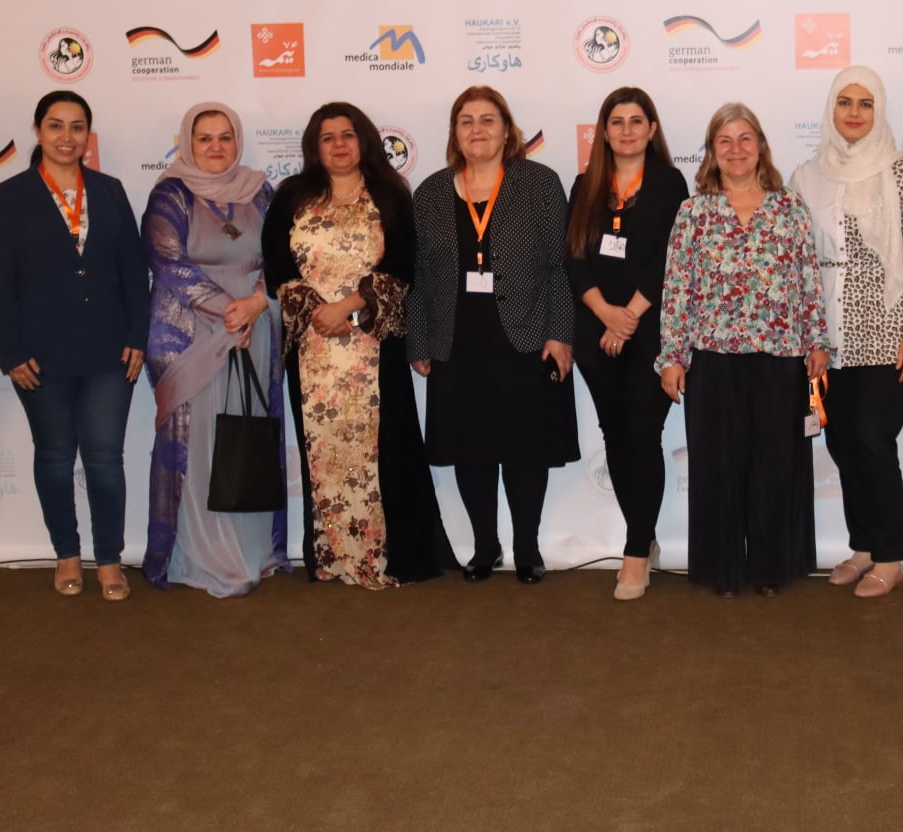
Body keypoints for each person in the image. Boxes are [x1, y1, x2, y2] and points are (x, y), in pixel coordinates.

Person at [263, 102, 456, 588]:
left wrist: (348, 308)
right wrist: (318, 312)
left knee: (384, 450)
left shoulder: (390, 194)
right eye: (327, 137)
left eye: (347, 135)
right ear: (315, 146)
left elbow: (401, 266)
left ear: (363, 139)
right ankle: (330, 554)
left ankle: (385, 555)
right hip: (313, 347)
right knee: (323, 450)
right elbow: (277, 265)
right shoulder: (292, 197)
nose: (339, 145)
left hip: (373, 344)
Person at [656, 103, 829, 598]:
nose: (736, 149)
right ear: (712, 151)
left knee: (776, 465)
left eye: (745, 138)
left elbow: (808, 279)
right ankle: (723, 569)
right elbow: (677, 289)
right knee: (718, 467)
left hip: (780, 357)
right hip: (712, 359)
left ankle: (772, 566)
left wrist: (816, 341)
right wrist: (672, 356)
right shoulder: (693, 213)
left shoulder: (789, 207)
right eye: (724, 140)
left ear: (761, 146)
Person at [408, 87, 577, 584]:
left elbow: (560, 266)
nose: (477, 129)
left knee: (526, 450)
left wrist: (560, 333)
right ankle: (485, 547)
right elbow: (418, 276)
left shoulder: (539, 183)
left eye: (487, 120)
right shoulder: (430, 193)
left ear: (507, 130)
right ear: (455, 133)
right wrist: (418, 341)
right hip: (455, 342)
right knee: (470, 449)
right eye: (466, 121)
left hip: (525, 338)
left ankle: (527, 548)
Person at [0, 91, 148, 601]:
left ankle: (110, 559)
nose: (66, 136)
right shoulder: (10, 196)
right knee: (55, 458)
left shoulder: (109, 190)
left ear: (87, 136)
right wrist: (11, 350)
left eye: (77, 127)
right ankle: (66, 555)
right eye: (55, 125)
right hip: (39, 354)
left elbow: (133, 269)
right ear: (38, 131)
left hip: (109, 350)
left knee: (105, 458)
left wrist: (137, 336)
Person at [790, 67, 903, 599]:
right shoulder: (808, 176)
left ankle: (891, 556)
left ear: (879, 111)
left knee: (875, 441)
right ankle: (863, 547)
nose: (854, 113)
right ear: (831, 109)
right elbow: (798, 263)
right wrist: (808, 337)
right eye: (845, 102)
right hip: (829, 338)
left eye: (865, 104)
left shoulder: (902, 172)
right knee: (844, 443)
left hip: (887, 332)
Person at [142, 102, 289, 596]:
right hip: (192, 332)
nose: (216, 147)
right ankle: (201, 556)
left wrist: (256, 304)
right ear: (188, 142)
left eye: (225, 137)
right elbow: (167, 260)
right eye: (204, 138)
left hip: (255, 329)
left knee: (244, 434)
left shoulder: (261, 190)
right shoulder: (170, 193)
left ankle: (251, 550)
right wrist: (230, 310)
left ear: (238, 141)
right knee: (198, 441)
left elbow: (282, 256)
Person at [565, 88, 689, 600]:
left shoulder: (669, 183)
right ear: (604, 131)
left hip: (651, 332)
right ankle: (645, 535)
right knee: (616, 436)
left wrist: (629, 316)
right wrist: (605, 314)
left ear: (652, 129)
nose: (627, 130)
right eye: (617, 122)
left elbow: (671, 255)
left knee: (642, 434)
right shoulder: (585, 184)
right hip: (596, 332)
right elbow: (573, 256)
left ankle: (636, 550)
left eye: (637, 121)